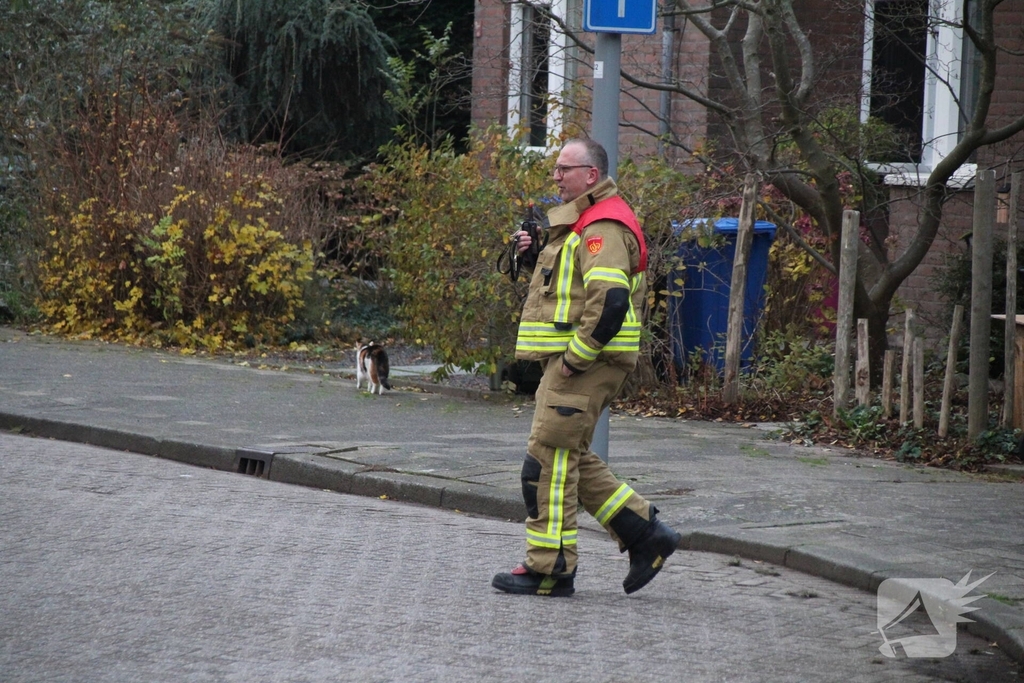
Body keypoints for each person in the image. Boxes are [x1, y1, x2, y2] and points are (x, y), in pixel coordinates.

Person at [491, 138, 681, 597]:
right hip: (581, 362)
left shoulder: (604, 225)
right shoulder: (583, 223)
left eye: (564, 169)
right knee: (566, 456)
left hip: (586, 363)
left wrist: (578, 356)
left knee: (545, 465)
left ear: (591, 175)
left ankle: (550, 570)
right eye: (555, 169)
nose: (555, 176)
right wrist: (537, 250)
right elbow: (574, 288)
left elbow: (610, 300)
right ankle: (646, 535)